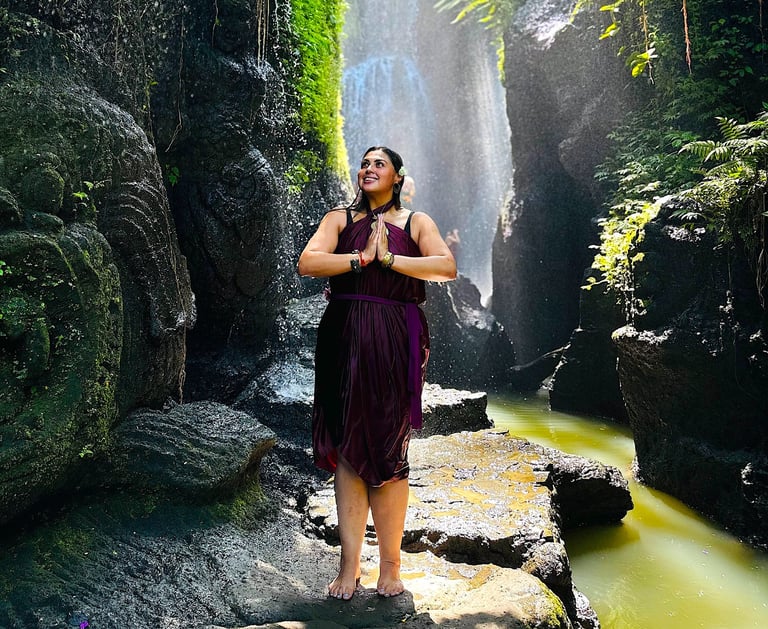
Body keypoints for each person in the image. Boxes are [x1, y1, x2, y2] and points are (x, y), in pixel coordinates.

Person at [297, 146, 456, 601]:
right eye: (364, 163)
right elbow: (309, 263)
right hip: (343, 336)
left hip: (395, 336)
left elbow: (445, 267)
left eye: (378, 164)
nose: (368, 169)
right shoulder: (339, 220)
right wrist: (360, 259)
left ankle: (391, 566)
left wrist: (389, 260)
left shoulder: (416, 222)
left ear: (397, 176)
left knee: (389, 445)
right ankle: (349, 568)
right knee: (348, 443)